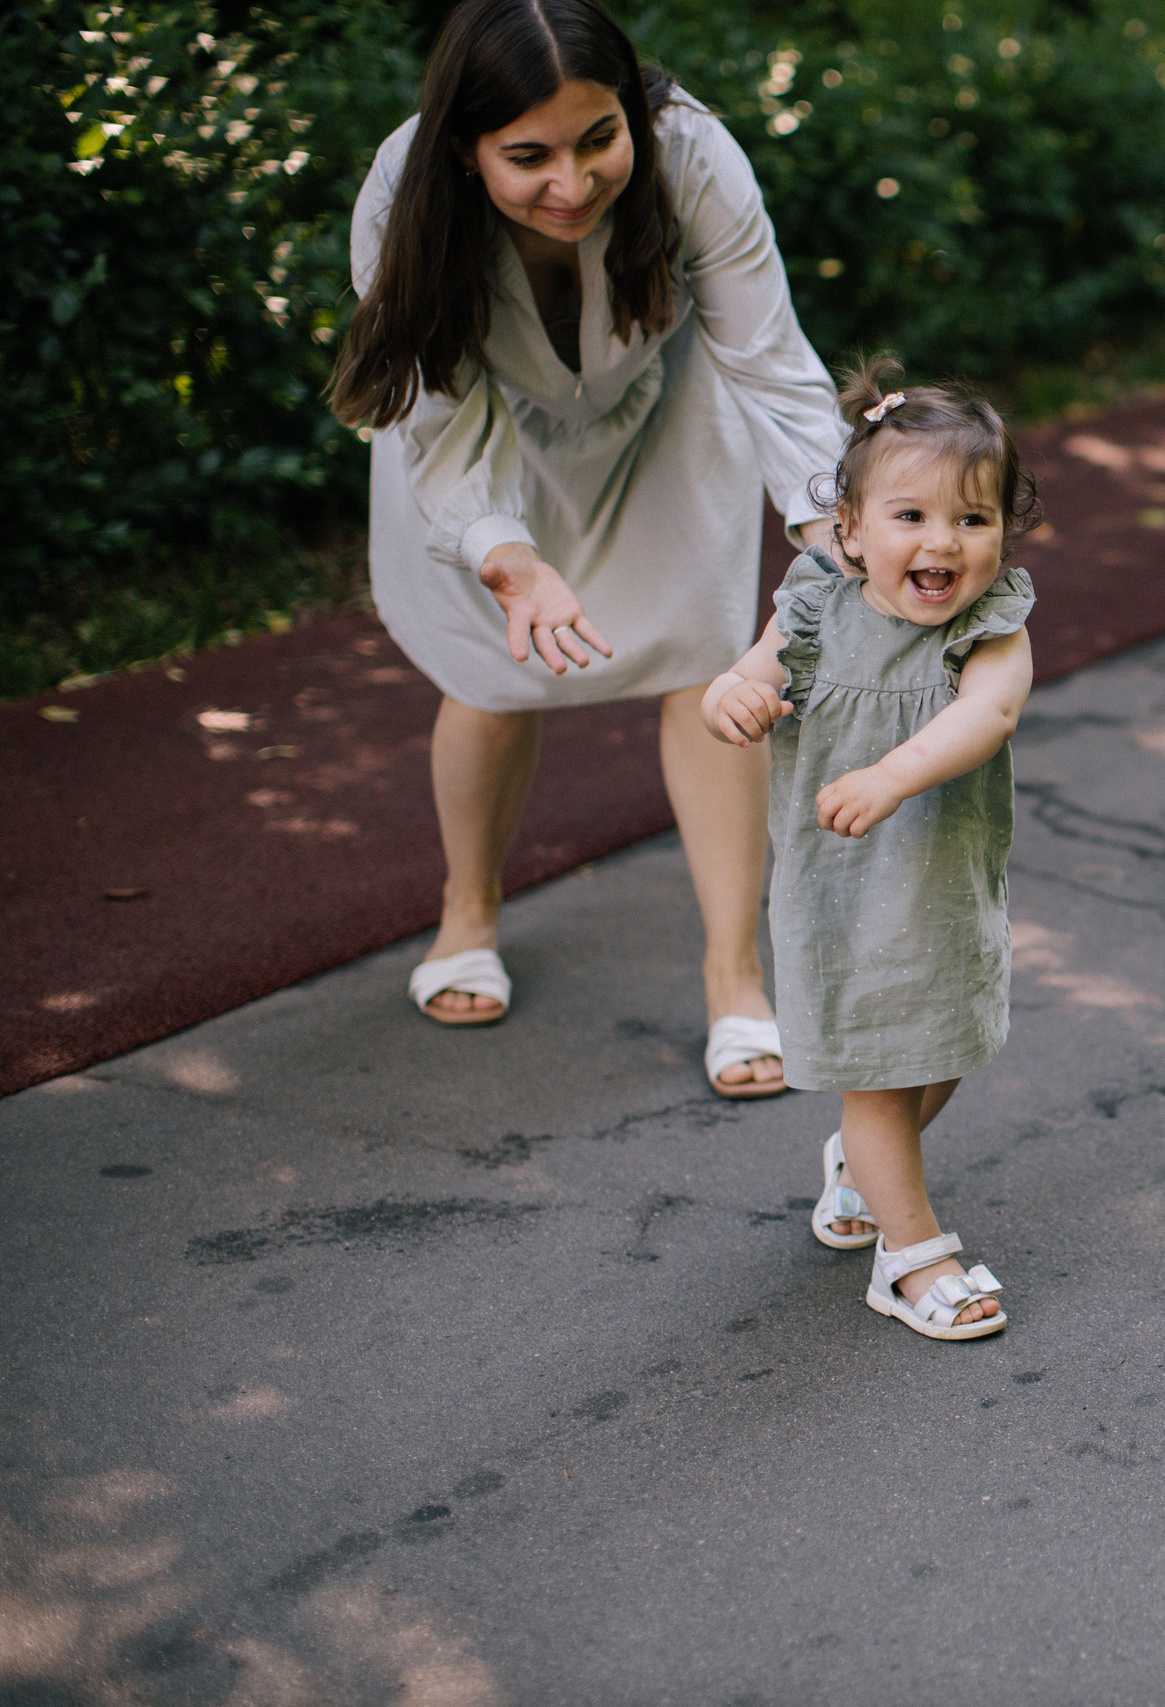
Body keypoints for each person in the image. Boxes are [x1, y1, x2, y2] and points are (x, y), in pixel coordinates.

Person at [330, 0, 844, 1099]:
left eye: (597, 140)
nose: (570, 185)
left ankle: (734, 975)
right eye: (527, 157)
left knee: (709, 664)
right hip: (473, 430)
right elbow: (433, 409)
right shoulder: (404, 191)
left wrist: (828, 527)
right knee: (491, 669)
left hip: (661, 413)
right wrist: (506, 556)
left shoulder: (693, 152)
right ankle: (468, 909)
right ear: (466, 151)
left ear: (632, 116)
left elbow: (767, 354)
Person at [702, 358, 1036, 1341]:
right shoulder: (812, 612)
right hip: (842, 897)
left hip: (939, 887)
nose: (944, 542)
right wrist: (735, 699)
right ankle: (911, 1256)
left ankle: (857, 1173)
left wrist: (893, 775)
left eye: (972, 521)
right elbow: (744, 679)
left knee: (941, 1051)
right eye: (912, 518)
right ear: (848, 530)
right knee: (884, 1083)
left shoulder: (988, 626)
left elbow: (992, 715)